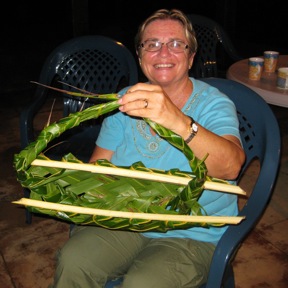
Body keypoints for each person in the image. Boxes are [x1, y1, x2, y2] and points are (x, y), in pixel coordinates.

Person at [51, 8, 245, 288]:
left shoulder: (215, 104)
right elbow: (99, 169)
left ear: (191, 58)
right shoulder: (123, 101)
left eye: (177, 44)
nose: (163, 53)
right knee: (74, 260)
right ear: (140, 56)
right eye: (151, 44)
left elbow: (230, 167)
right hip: (129, 221)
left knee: (142, 283)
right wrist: (75, 188)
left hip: (192, 232)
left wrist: (175, 119)